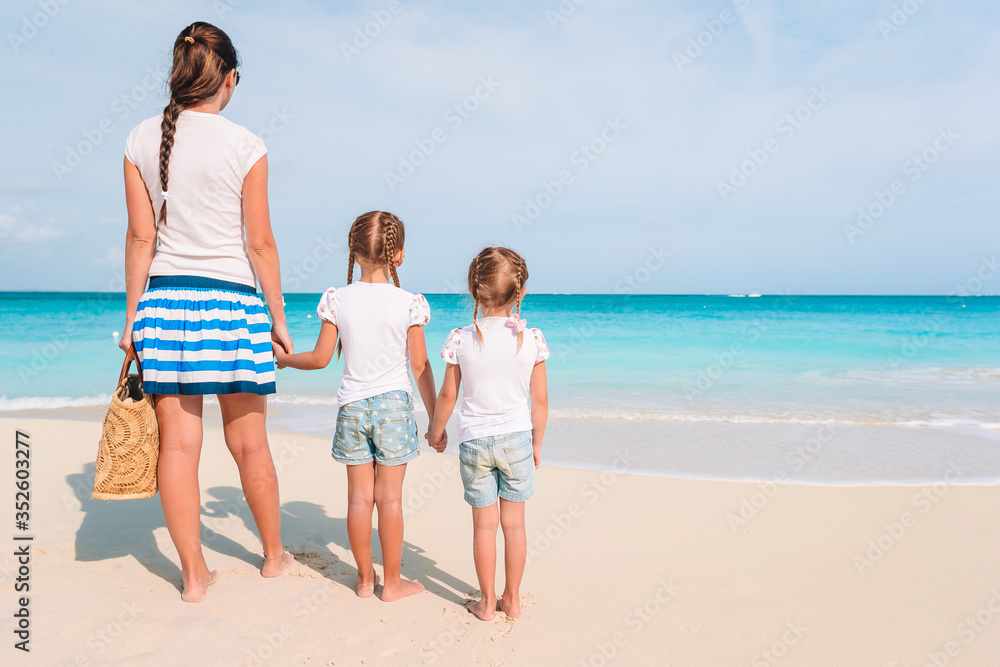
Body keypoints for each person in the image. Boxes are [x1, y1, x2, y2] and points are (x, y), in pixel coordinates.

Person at [121, 21, 293, 603]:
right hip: (232, 305)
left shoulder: (140, 138)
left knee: (178, 448)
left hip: (164, 302)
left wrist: (130, 320)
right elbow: (260, 244)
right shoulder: (247, 145)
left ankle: (194, 577)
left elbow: (140, 239)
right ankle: (273, 557)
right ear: (230, 79)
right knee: (250, 446)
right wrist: (278, 317)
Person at [272, 211, 436, 601]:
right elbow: (419, 365)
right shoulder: (409, 303)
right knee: (390, 500)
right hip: (394, 408)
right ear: (398, 255)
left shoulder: (337, 299)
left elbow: (320, 358)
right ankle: (392, 584)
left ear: (354, 251)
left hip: (353, 410)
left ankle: (364, 580)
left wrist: (284, 359)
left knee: (359, 499)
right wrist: (435, 418)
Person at [427, 247, 549, 621]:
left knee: (484, 527)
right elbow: (540, 402)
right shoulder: (532, 338)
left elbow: (448, 394)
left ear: (474, 290)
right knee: (514, 526)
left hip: (476, 442)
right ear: (520, 291)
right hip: (516, 442)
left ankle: (486, 602)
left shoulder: (461, 338)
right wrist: (537, 443)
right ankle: (512, 600)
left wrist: (436, 431)